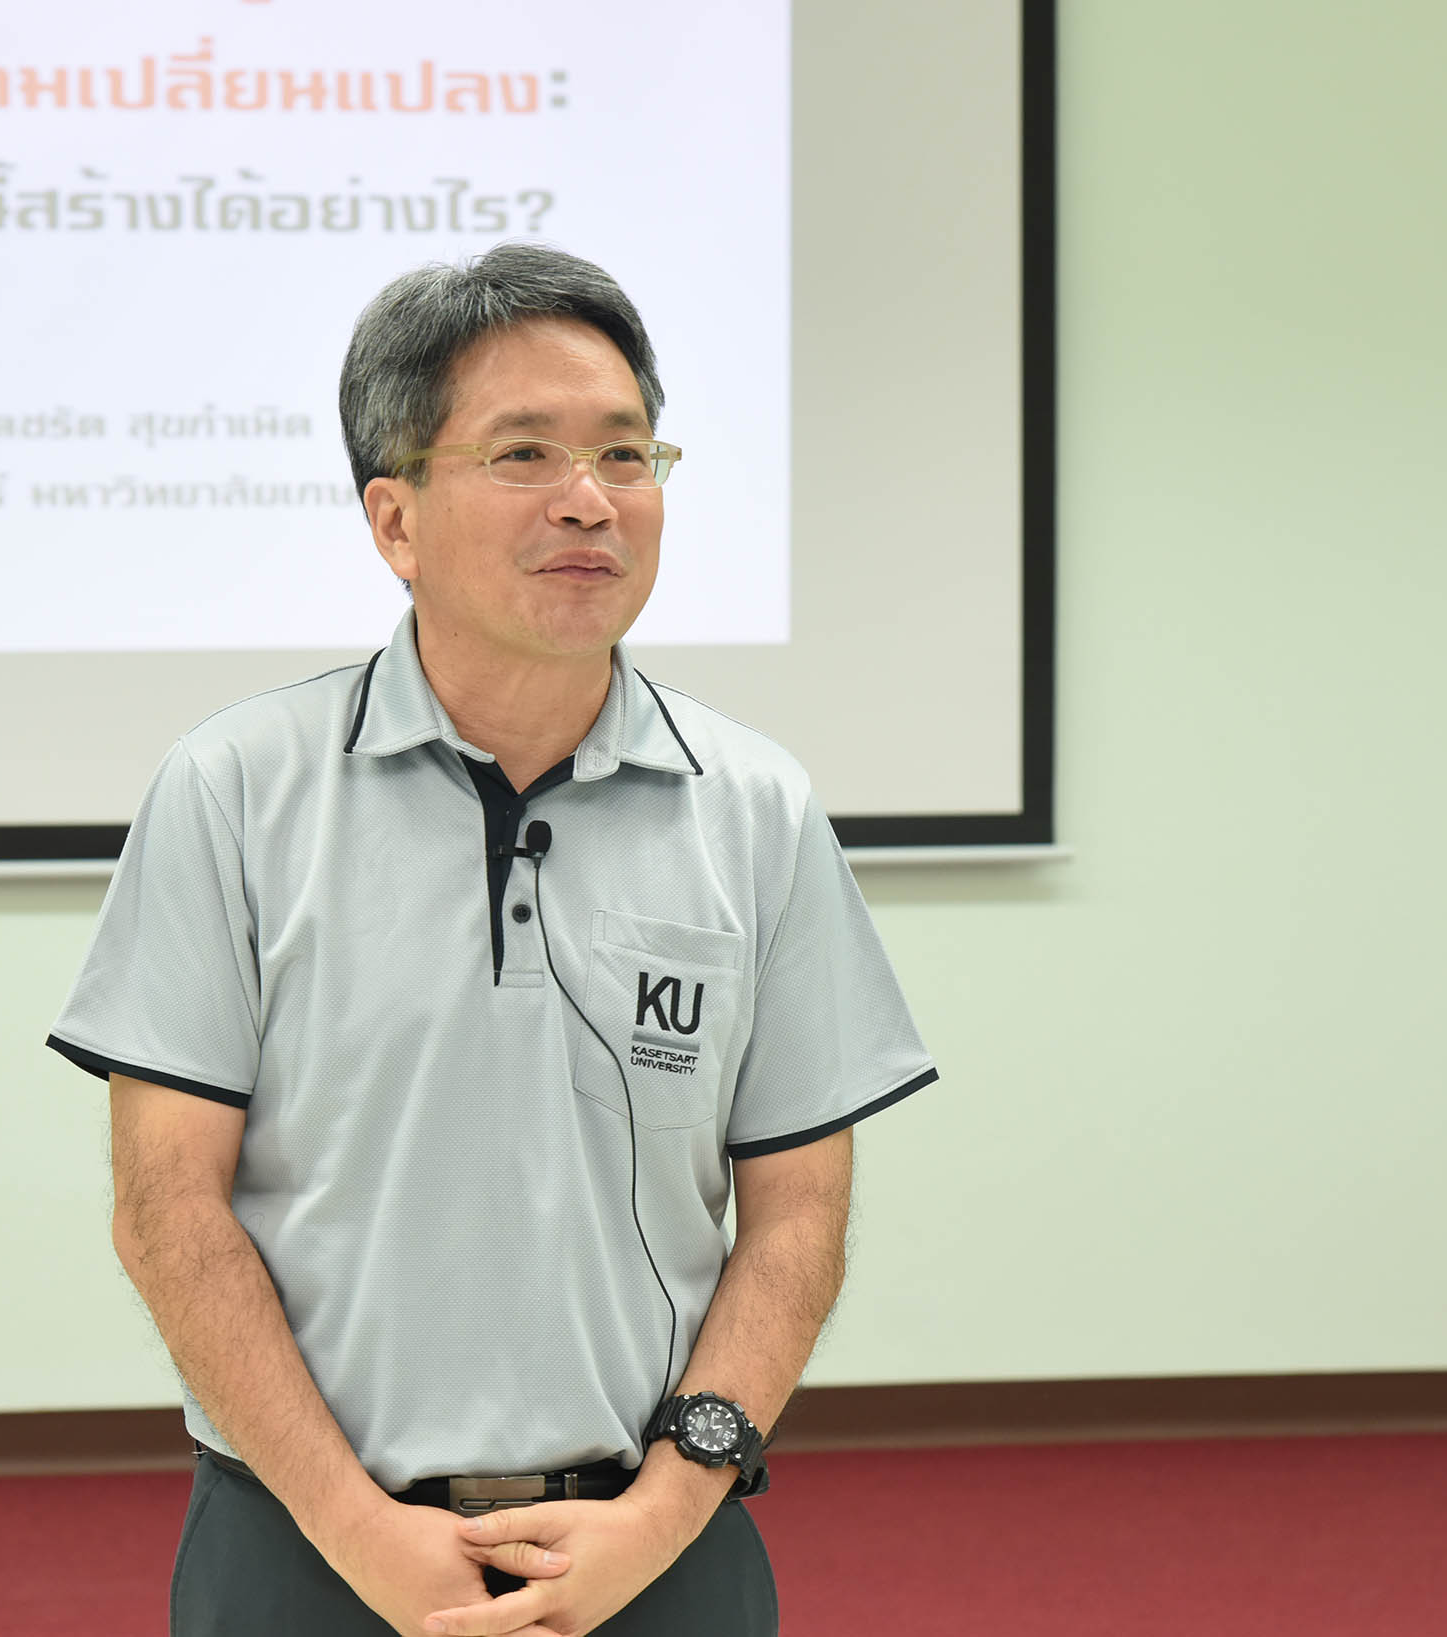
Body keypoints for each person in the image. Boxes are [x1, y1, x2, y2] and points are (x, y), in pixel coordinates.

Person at [46, 243, 936, 1637]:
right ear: (393, 519)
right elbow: (169, 1210)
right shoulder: (236, 790)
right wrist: (356, 1530)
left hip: (652, 1550)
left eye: (626, 454)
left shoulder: (755, 807)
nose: (590, 499)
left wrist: (668, 1506)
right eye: (524, 453)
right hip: (306, 1544)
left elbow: (797, 1215)